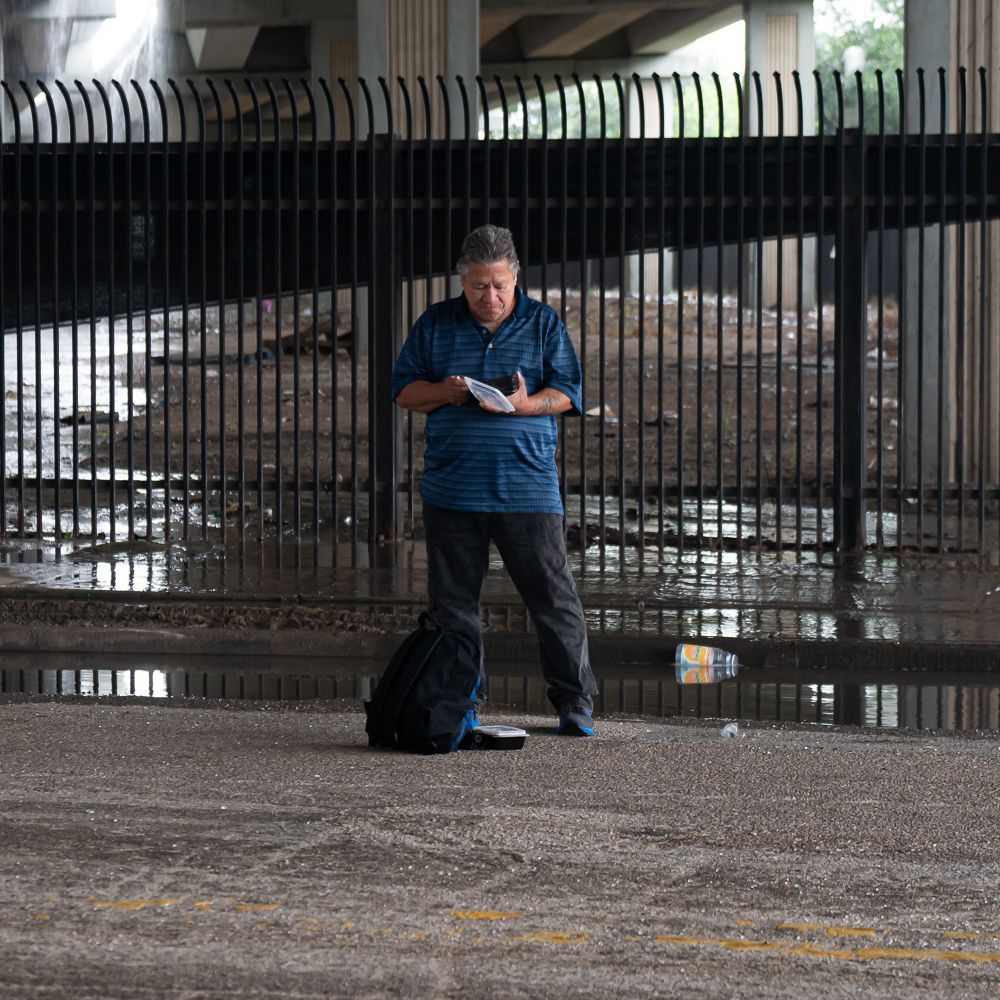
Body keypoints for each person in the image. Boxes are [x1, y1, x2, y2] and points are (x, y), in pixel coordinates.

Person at [391, 224, 598, 736]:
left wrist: (526, 405)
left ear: (515, 279)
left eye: (500, 285)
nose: (491, 297)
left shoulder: (543, 323)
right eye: (480, 286)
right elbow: (403, 391)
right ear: (462, 282)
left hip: (528, 490)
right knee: (452, 606)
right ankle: (459, 703)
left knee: (553, 598)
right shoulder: (435, 323)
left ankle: (574, 702)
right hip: (452, 491)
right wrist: (443, 392)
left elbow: (568, 393)